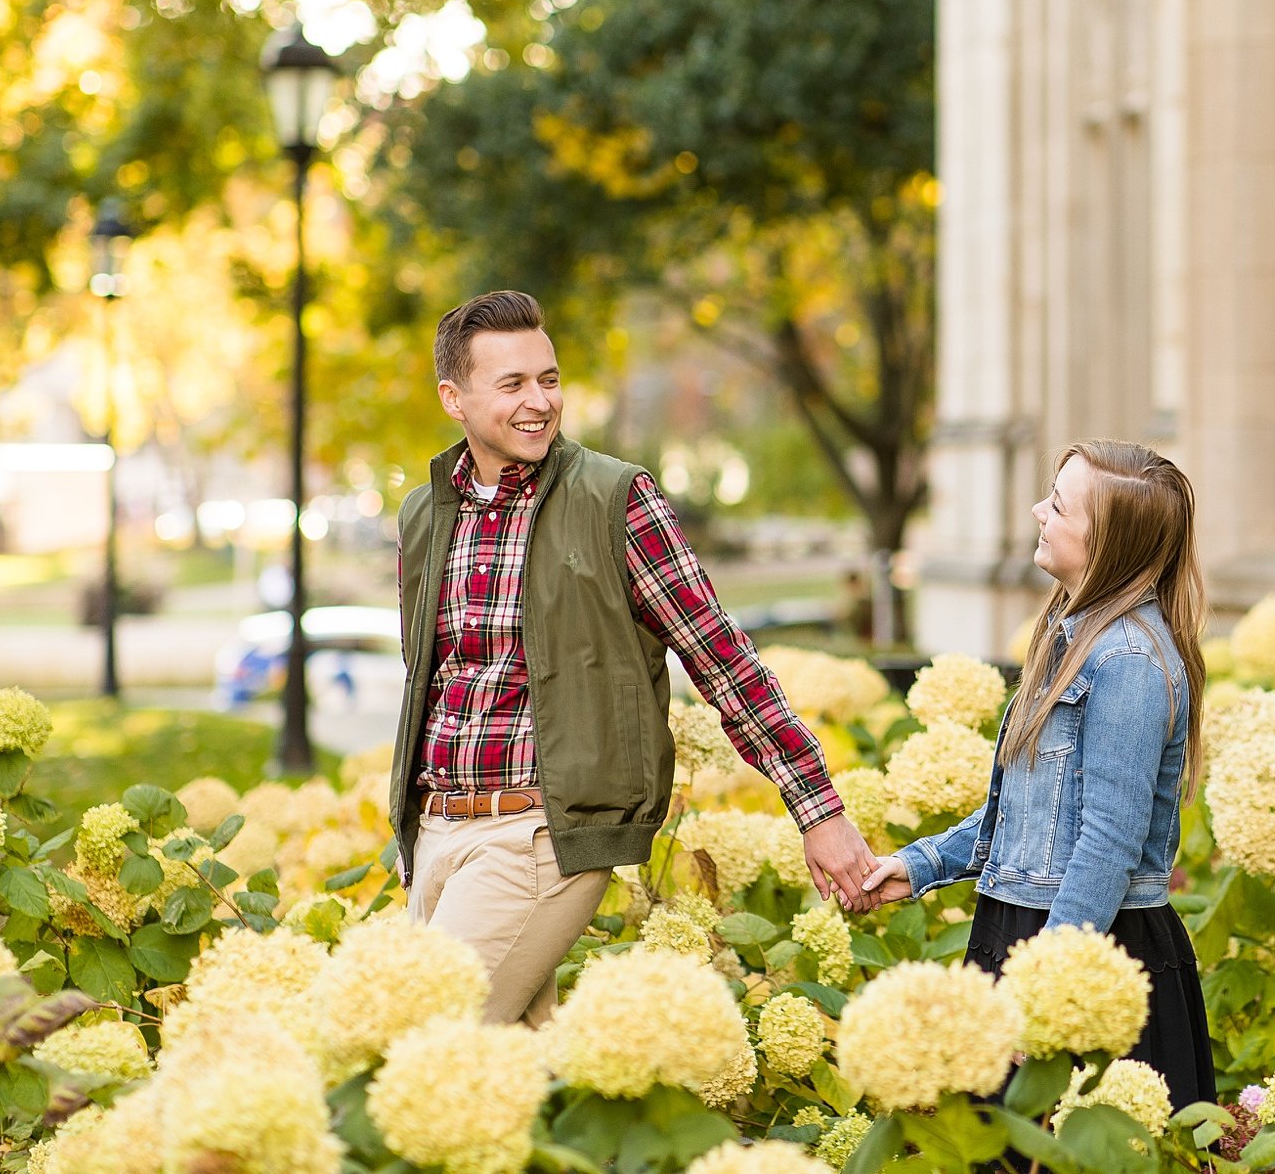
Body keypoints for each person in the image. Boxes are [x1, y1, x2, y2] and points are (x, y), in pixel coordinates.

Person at [392, 290, 880, 1024]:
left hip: (539, 833)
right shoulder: (427, 513)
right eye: (513, 384)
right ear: (453, 399)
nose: (539, 402)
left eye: (549, 379)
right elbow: (430, 680)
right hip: (434, 833)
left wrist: (818, 809)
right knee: (499, 1088)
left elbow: (722, 657)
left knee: (426, 1041)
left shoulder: (614, 500)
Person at [862, 439, 1216, 1108]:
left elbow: (1107, 844)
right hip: (1026, 934)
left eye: (1056, 505)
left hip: (1084, 952)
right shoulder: (1072, 636)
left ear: (1106, 543)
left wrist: (1044, 988)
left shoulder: (1130, 663)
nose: (1035, 511)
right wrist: (919, 865)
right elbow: (1027, 816)